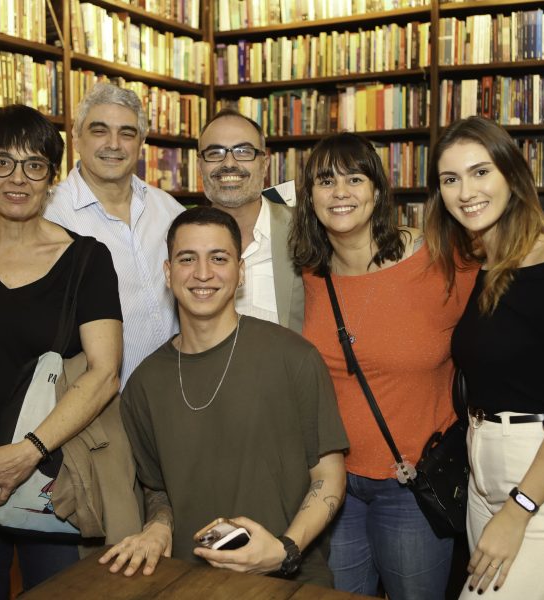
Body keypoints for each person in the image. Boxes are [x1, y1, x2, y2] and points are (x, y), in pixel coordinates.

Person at [99, 207, 348, 587]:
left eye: (219, 258)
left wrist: (284, 550)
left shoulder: (293, 357)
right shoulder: (144, 383)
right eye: (187, 259)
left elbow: (328, 477)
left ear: (240, 271)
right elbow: (157, 489)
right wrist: (158, 526)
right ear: (168, 273)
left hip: (287, 579)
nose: (202, 274)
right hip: (186, 579)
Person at [289, 132, 477, 600]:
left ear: (377, 190)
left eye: (355, 178)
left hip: (412, 485)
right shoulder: (308, 274)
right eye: (326, 181)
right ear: (308, 195)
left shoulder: (441, 261)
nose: (340, 193)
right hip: (331, 484)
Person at [426, 116, 544, 599]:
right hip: (482, 476)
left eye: (480, 172)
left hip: (543, 482)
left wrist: (519, 509)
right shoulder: (486, 267)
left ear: (512, 177)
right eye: (450, 179)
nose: (465, 191)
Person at [0, 105, 122, 595]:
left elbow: (104, 372)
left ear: (52, 178)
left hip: (53, 476)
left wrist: (26, 452)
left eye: (34, 165)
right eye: (2, 162)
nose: (17, 178)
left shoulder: (87, 259)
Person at [44, 83, 184, 388]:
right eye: (99, 131)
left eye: (127, 133)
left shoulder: (169, 211)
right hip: (98, 410)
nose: (114, 144)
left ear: (141, 142)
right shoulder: (50, 216)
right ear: (77, 138)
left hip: (176, 394)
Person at [198, 109, 303, 333]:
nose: (229, 163)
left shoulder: (304, 229)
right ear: (200, 166)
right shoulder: (182, 239)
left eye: (243, 151)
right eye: (215, 152)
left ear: (264, 164)